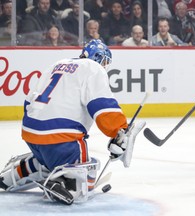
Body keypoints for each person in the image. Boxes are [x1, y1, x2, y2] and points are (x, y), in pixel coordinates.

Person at [0, 39, 146, 204]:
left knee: (52, 157)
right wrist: (119, 132)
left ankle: (21, 170)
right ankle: (64, 181)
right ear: (99, 58)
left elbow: (28, 102)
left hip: (30, 133)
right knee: (85, 179)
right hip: (62, 139)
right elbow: (102, 106)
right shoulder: (94, 69)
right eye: (105, 61)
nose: (105, 66)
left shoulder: (57, 64)